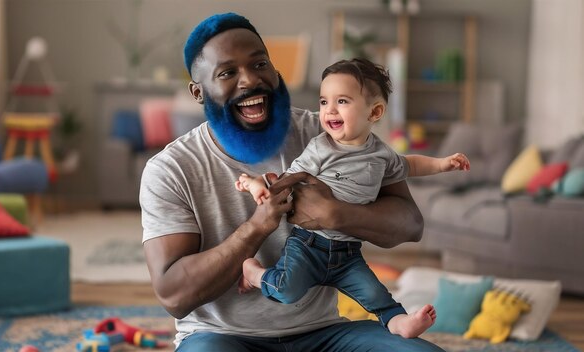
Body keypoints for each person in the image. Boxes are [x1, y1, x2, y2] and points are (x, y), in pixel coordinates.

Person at [140, 12, 446, 351]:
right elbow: (174, 295)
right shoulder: (170, 169)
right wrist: (256, 228)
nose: (249, 81)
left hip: (325, 334)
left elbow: (410, 223)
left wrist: (337, 215)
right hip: (222, 338)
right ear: (199, 92)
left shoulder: (331, 132)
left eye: (259, 65)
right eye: (227, 73)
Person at [234, 58, 470, 339]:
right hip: (308, 245)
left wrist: (443, 164)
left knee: (374, 292)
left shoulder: (381, 154)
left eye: (342, 101)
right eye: (324, 102)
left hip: (348, 252)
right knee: (286, 290)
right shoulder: (321, 147)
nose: (329, 110)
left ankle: (398, 322)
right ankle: (254, 274)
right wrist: (257, 183)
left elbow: (410, 165)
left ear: (375, 111)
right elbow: (289, 177)